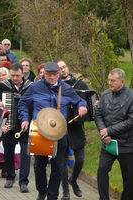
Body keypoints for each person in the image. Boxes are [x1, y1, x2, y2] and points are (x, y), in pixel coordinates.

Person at [18, 62, 88, 200]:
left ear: (58, 74)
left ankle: (52, 195)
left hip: (59, 132)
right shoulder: (35, 87)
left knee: (58, 166)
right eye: (48, 74)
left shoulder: (66, 89)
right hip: (40, 132)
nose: (51, 77)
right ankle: (42, 190)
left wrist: (82, 107)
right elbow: (23, 103)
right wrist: (25, 119)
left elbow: (80, 101)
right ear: (44, 73)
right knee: (39, 165)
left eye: (54, 75)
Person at [0, 63, 32, 193]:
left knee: (26, 154)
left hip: (25, 125)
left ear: (22, 74)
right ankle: (10, 177)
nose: (14, 78)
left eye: (17, 75)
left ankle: (23, 182)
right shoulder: (4, 86)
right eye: (12, 75)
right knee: (8, 154)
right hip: (9, 125)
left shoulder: (30, 86)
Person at [95, 68, 133, 200]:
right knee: (101, 171)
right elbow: (98, 114)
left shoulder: (131, 97)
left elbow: (131, 121)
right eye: (109, 80)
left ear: (122, 81)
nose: (110, 83)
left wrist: (109, 131)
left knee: (129, 178)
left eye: (113, 81)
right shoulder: (105, 95)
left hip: (127, 145)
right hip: (108, 143)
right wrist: (103, 132)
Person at [56, 59, 89, 200]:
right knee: (62, 161)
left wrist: (93, 105)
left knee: (80, 159)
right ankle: (65, 192)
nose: (63, 70)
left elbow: (90, 101)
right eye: (60, 69)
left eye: (64, 67)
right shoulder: (55, 87)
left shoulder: (80, 85)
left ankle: (73, 180)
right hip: (61, 127)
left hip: (77, 128)